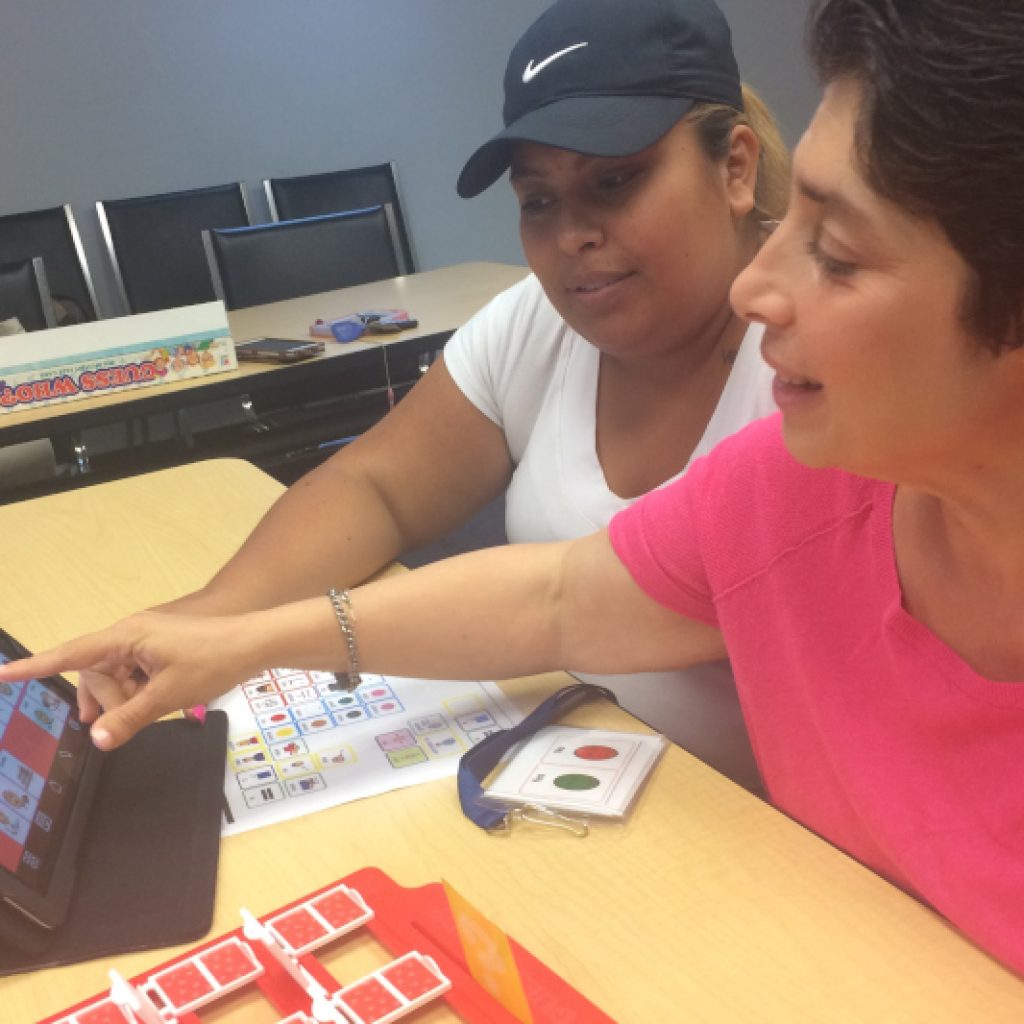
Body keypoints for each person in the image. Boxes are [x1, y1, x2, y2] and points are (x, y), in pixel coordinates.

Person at [4, 0, 1022, 974]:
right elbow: (555, 594)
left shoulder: (809, 428)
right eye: (540, 201)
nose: (760, 291)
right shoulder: (793, 481)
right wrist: (232, 635)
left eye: (834, 252)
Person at [110, 0, 793, 789]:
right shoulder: (536, 324)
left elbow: (561, 602)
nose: (573, 234)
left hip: (763, 841)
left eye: (616, 180)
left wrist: (257, 639)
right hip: (580, 768)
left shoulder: (815, 372)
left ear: (734, 168)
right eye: (538, 199)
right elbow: (378, 486)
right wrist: (206, 621)